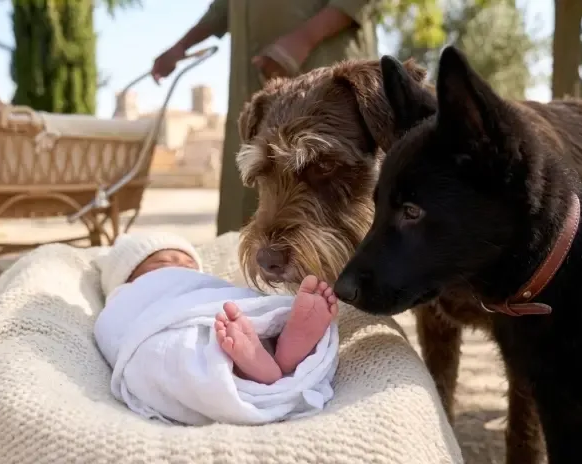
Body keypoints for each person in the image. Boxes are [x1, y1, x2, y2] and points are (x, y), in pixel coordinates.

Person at [151, 1, 378, 235]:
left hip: (325, 72)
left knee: (327, 198)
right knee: (249, 218)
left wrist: (305, 38)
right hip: (253, 92)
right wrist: (180, 47)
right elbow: (223, 8)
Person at [94, 233, 340, 425]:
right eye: (162, 263)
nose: (180, 268)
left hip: (215, 311)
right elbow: (113, 328)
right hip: (164, 322)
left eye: (190, 265)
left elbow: (216, 293)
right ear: (126, 278)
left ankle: (272, 348)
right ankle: (264, 362)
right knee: (168, 349)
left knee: (239, 315)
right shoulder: (125, 297)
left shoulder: (202, 285)